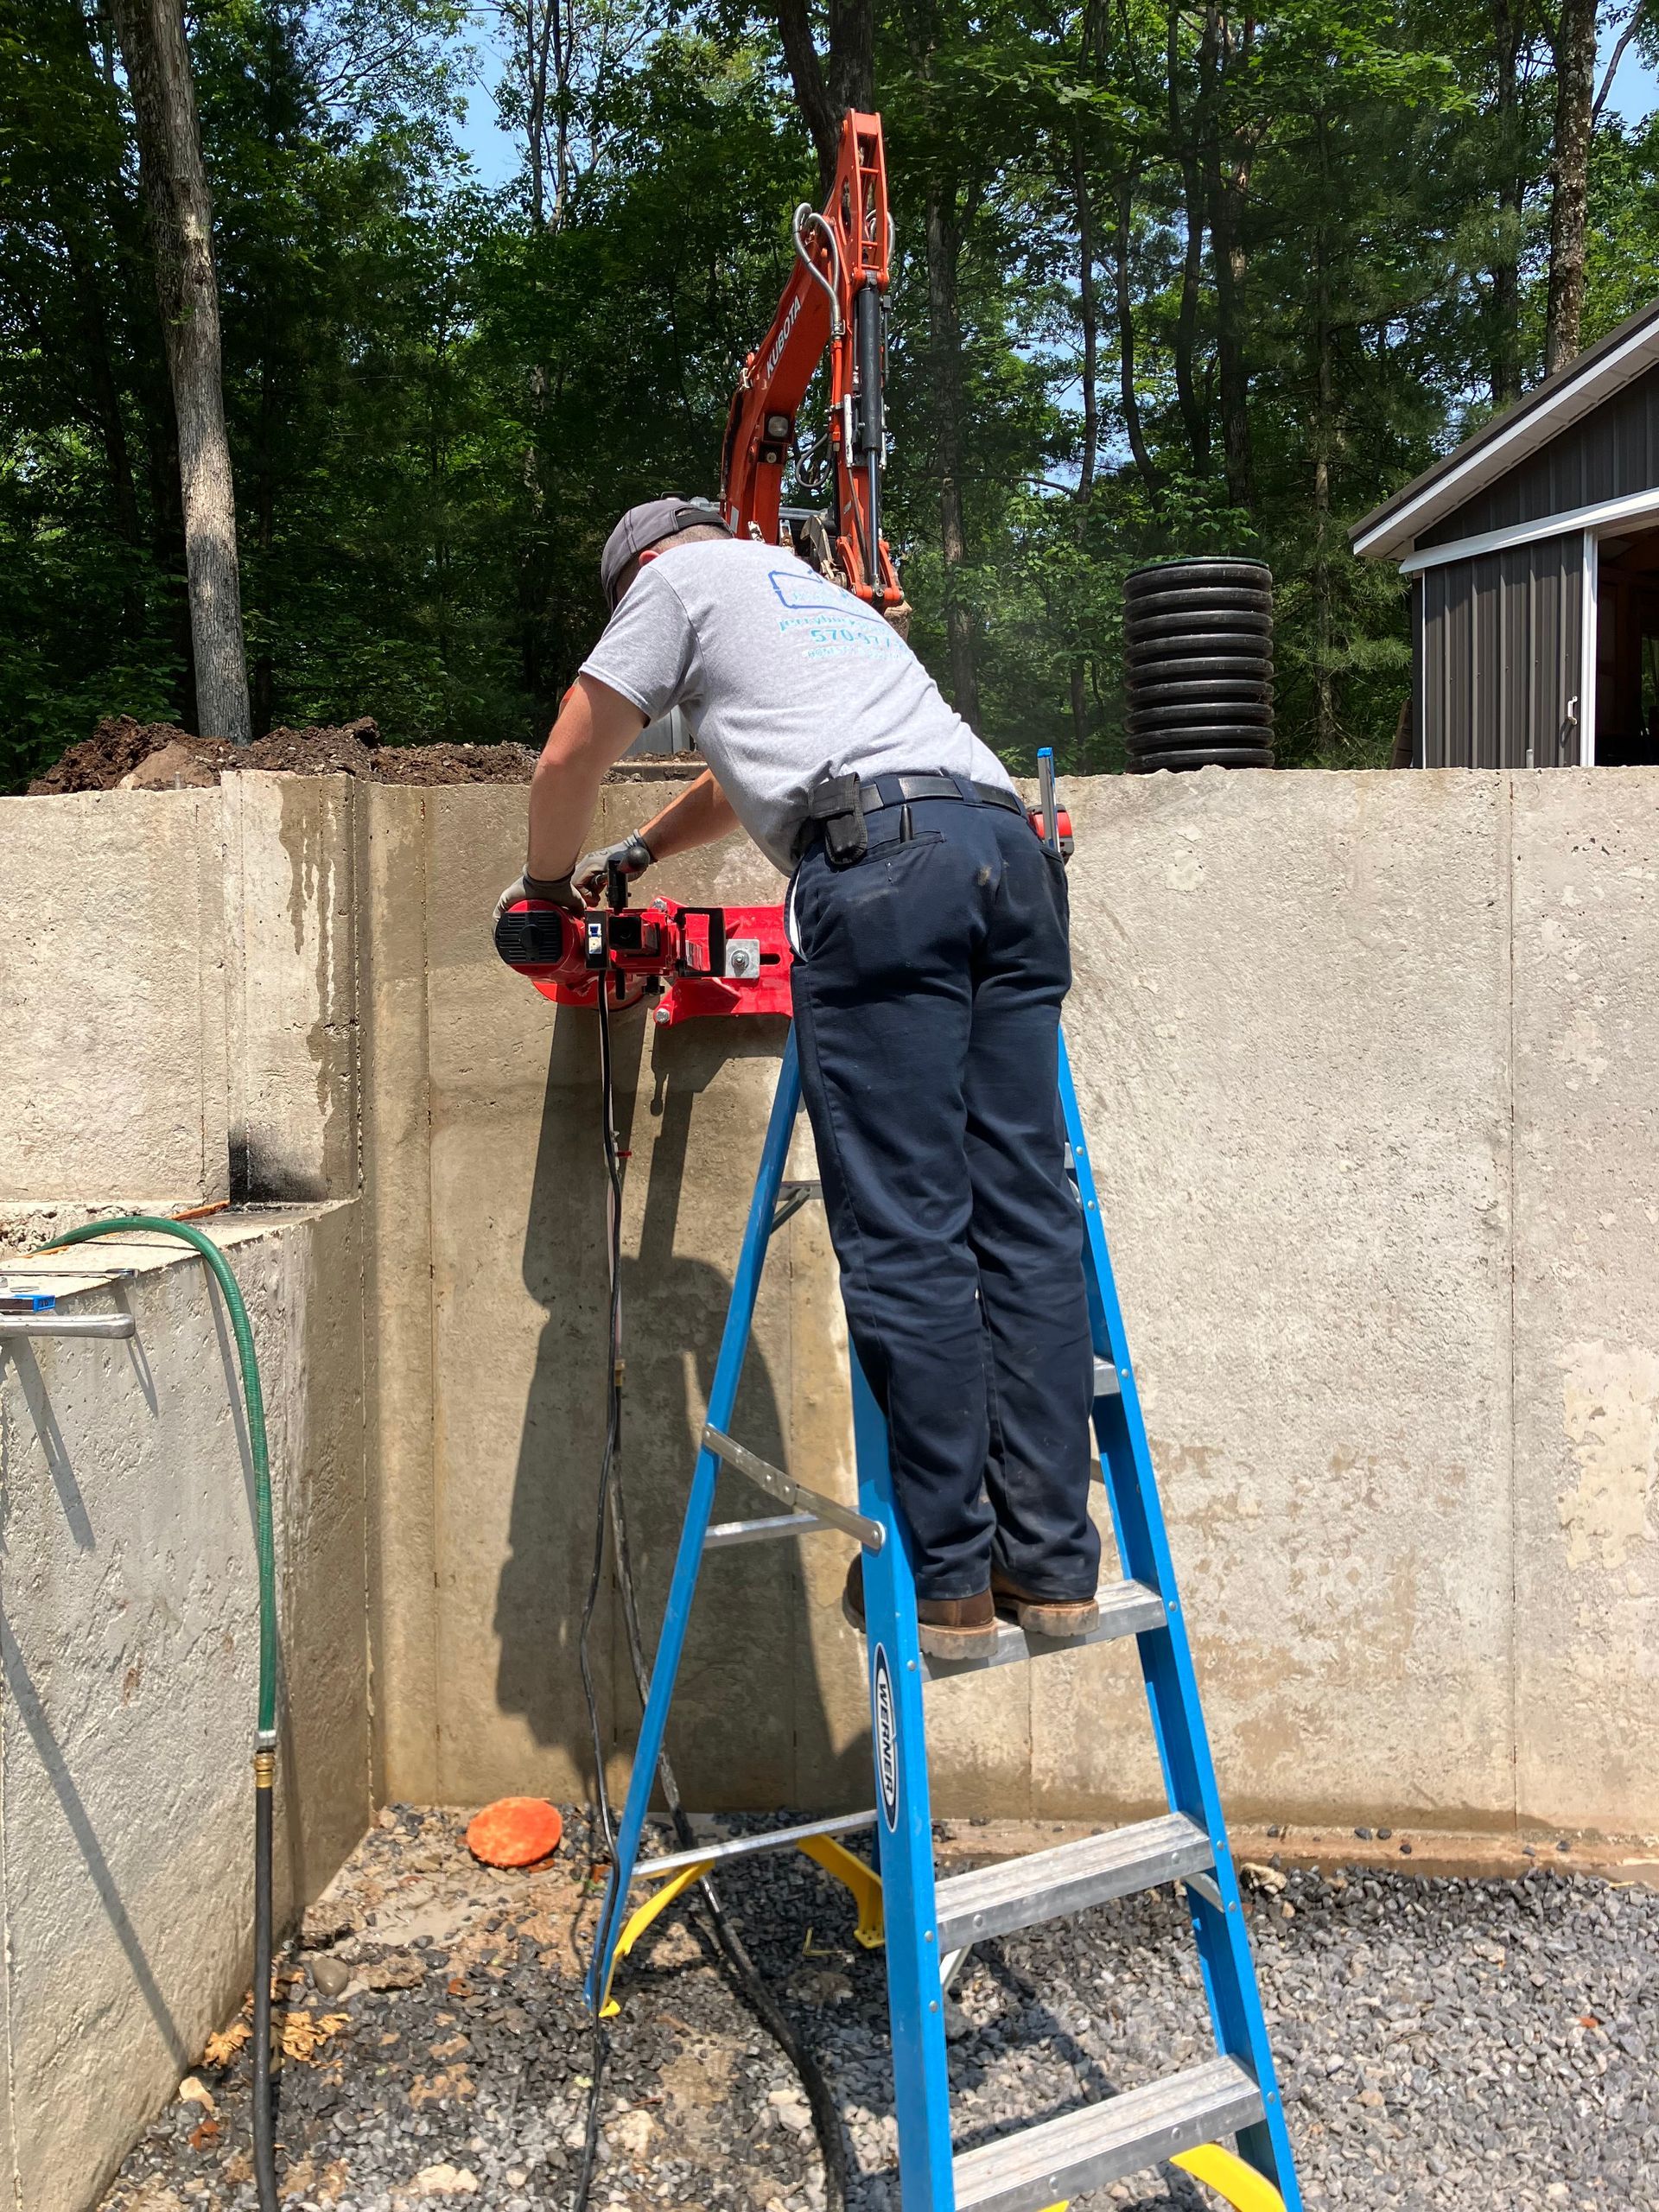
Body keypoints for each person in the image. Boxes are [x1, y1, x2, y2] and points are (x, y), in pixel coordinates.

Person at [497, 496, 1101, 1659]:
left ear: (636, 572)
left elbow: (574, 745)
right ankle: (1055, 1567)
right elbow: (739, 777)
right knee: (1025, 1216)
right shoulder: (809, 599)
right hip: (1008, 858)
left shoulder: (671, 589)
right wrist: (639, 855)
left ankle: (950, 1583)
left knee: (910, 1231)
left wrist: (545, 890)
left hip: (884, 877)